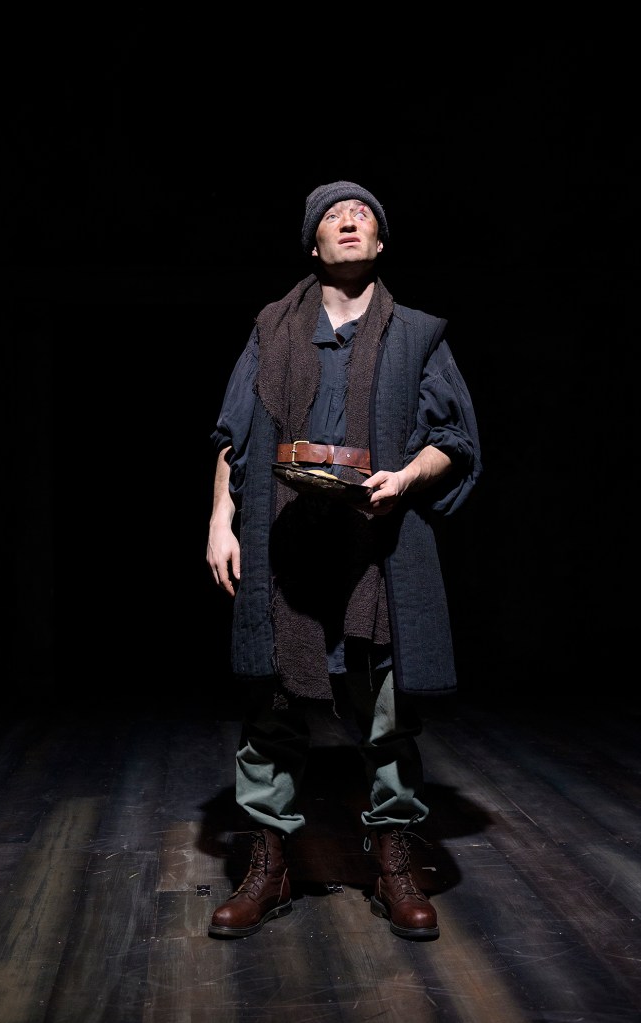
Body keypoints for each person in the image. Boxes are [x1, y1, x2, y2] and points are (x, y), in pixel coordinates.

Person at [206, 180, 482, 942]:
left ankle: (393, 858)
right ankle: (269, 861)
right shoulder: (273, 328)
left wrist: (408, 477)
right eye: (334, 214)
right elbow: (232, 435)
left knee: (385, 709)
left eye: (363, 213)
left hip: (375, 542)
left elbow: (453, 440)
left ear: (381, 242)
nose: (350, 219)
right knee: (271, 704)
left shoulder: (416, 334)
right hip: (283, 536)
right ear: (315, 243)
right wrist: (220, 521)